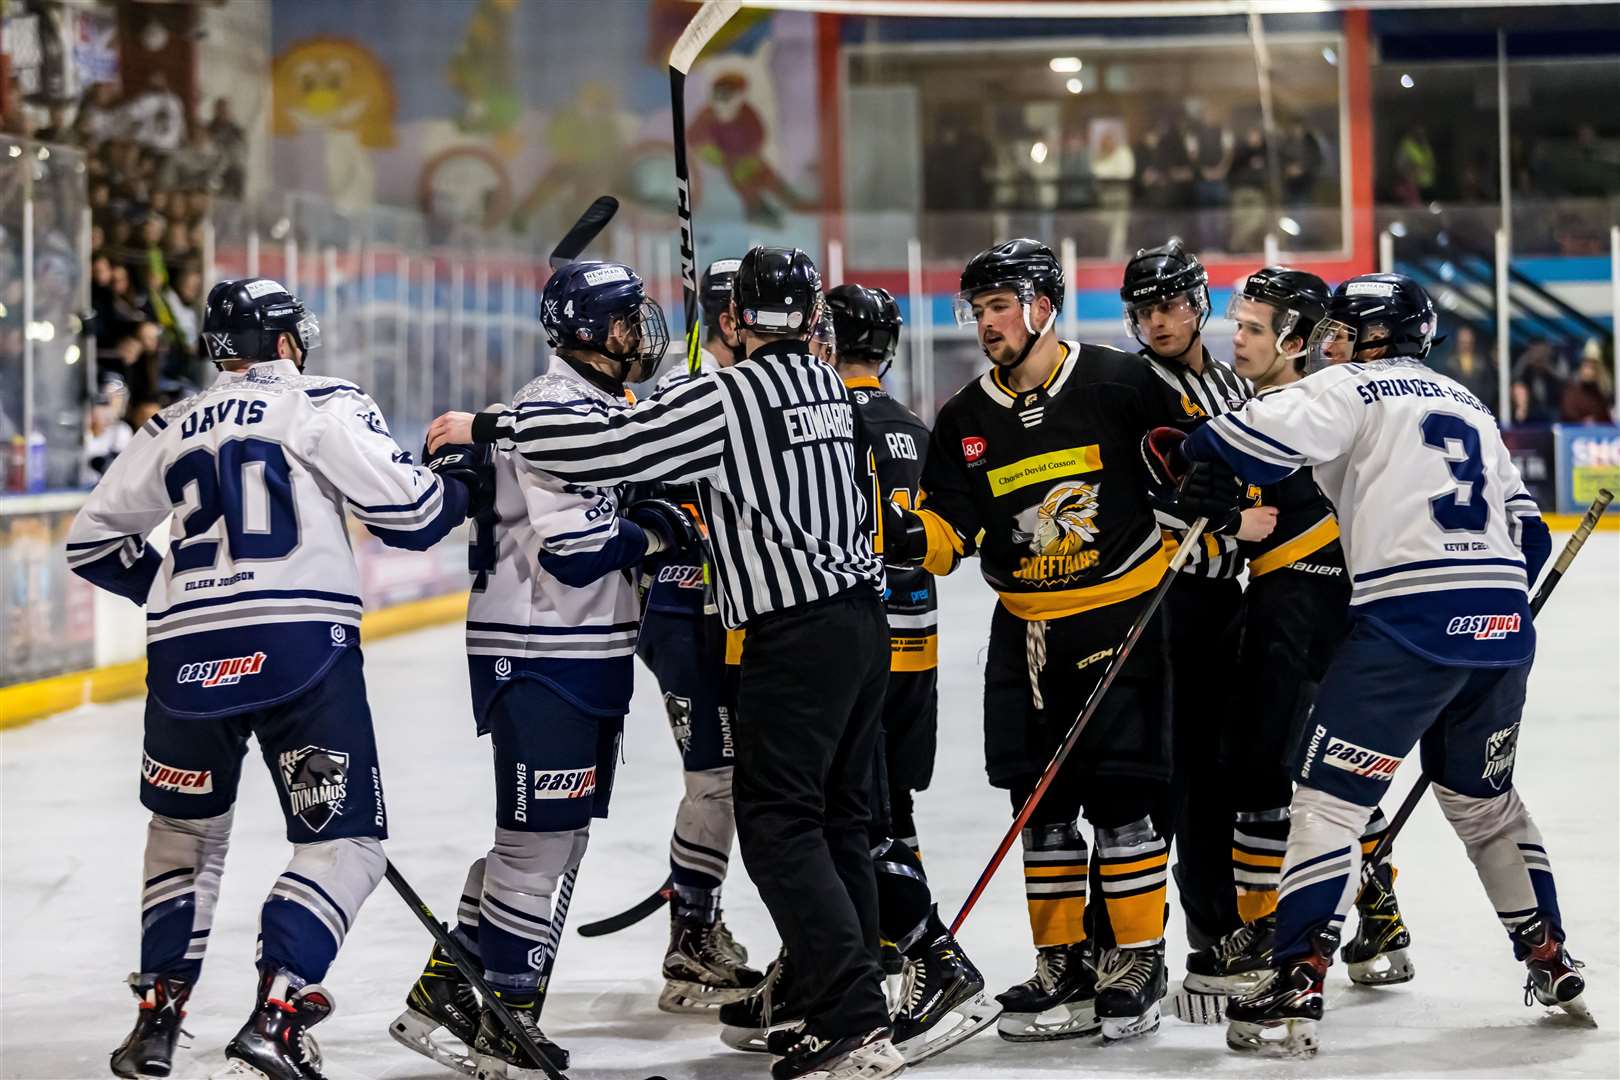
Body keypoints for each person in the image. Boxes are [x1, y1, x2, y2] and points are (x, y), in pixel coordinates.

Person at [427, 246, 903, 1080]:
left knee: (780, 826)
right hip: (865, 626)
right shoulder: (829, 386)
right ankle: (845, 1003)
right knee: (840, 823)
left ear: (731, 318)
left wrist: (490, 426)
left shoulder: (726, 394)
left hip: (796, 634)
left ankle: (854, 1019)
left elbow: (615, 448)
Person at [68, 278, 474, 1080]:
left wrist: (169, 589)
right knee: (344, 844)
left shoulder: (171, 420)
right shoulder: (322, 401)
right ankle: (280, 1011)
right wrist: (459, 467)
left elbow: (90, 541)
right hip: (298, 651)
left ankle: (156, 1020)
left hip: (185, 656)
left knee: (183, 836)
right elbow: (417, 517)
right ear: (287, 341)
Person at [1179, 273, 1585, 1055]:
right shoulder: (1466, 401)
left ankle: (1296, 976)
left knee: (1327, 803)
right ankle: (1548, 953)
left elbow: (1235, 441)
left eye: (1337, 331)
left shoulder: (1350, 389)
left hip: (1408, 627)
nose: (1325, 344)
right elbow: (1530, 542)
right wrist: (1485, 613)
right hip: (1500, 628)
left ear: (1370, 338)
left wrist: (1193, 450)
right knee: (1486, 805)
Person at [881, 239, 1233, 1045]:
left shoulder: (1120, 381)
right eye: (978, 310)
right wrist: (915, 537)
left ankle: (1138, 958)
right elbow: (953, 522)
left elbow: (1189, 460)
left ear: (1043, 304)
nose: (986, 324)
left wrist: (1210, 480)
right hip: (1024, 634)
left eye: (1000, 305)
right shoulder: (966, 417)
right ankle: (1062, 961)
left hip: (1119, 618)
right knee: (1037, 807)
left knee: (1122, 800)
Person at [395, 260, 696, 1076]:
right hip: (541, 652)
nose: (644, 331)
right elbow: (576, 550)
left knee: (548, 847)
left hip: (577, 652)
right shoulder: (556, 409)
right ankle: (509, 1023)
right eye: (630, 318)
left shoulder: (587, 406)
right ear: (593, 331)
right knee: (536, 848)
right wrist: (664, 532)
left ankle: (453, 990)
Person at [1175, 269, 1415, 1021]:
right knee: (1326, 767)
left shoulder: (1309, 404)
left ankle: (1265, 933)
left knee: (1265, 771)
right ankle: (1377, 915)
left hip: (1308, 604)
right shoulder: (1314, 399)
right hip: (1308, 602)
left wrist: (1200, 476)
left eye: (1253, 328)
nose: (1235, 339)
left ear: (1297, 337)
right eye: (1237, 325)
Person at [825, 282, 998, 1062]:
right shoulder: (912, 427)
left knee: (850, 812)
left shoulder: (828, 424)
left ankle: (922, 949)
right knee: (891, 806)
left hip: (854, 645)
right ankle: (877, 950)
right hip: (916, 644)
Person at [1119, 239, 1271, 956]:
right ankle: (1119, 942)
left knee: (1216, 769)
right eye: (1145, 309)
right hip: (1158, 604)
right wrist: (1228, 517)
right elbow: (1138, 492)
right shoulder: (1130, 386)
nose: (1158, 321)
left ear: (1199, 303)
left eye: (1172, 305)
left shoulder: (1237, 391)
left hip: (1224, 601)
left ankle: (1215, 928)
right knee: (1158, 777)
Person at [633, 257, 766, 1014]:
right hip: (689, 617)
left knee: (744, 779)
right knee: (715, 779)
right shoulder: (690, 396)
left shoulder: (727, 392)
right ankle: (692, 937)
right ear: (728, 320)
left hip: (732, 615)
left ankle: (698, 920)